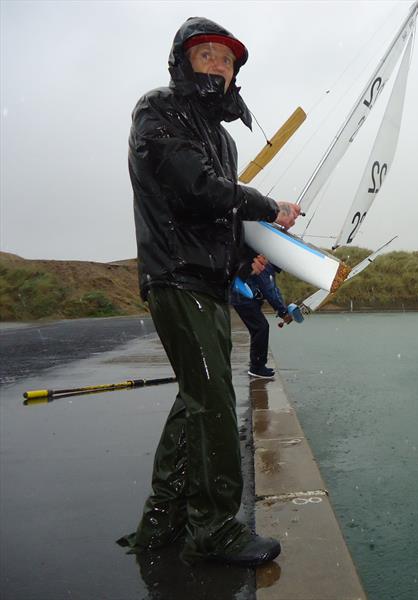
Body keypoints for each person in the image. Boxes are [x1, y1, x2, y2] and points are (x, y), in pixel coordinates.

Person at [119, 16, 301, 567]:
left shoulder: (223, 137)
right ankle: (215, 530)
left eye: (227, 59)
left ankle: (163, 520)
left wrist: (251, 253)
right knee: (215, 401)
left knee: (195, 397)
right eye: (207, 55)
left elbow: (218, 215)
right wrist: (270, 207)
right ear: (184, 61)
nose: (219, 66)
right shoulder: (159, 110)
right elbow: (196, 188)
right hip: (176, 275)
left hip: (209, 280)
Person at [231, 256, 292, 379]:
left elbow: (273, 289)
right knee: (261, 328)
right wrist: (283, 312)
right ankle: (257, 368)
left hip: (242, 298)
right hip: (244, 300)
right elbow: (269, 291)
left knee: (258, 329)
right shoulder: (266, 267)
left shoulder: (268, 267)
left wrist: (283, 310)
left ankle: (257, 364)